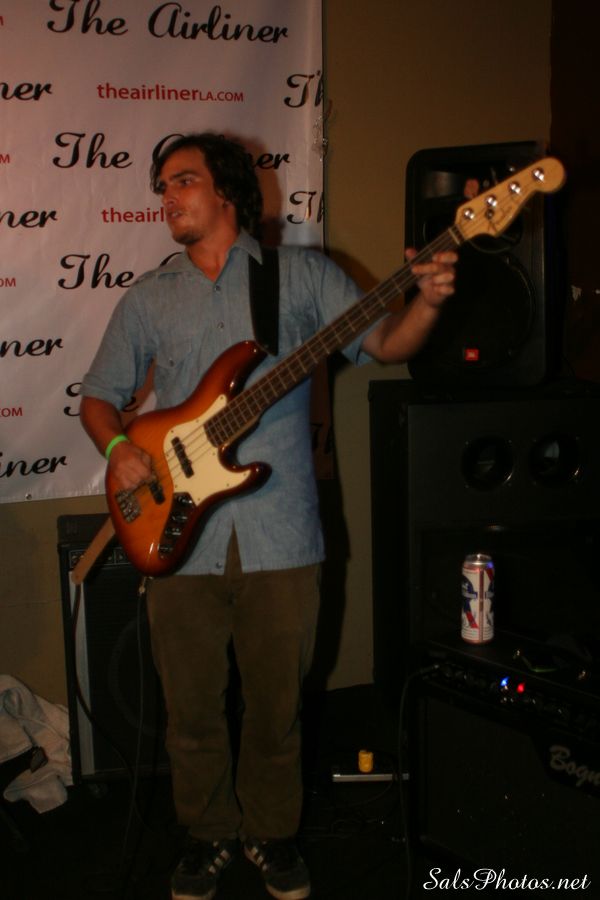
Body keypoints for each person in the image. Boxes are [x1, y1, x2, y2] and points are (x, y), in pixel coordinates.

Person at [79, 132, 457, 900]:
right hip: (177, 535)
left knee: (277, 708)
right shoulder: (149, 297)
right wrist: (119, 448)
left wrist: (427, 300)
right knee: (191, 709)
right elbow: (97, 397)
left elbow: (387, 343)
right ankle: (208, 833)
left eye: (181, 181)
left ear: (226, 190)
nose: (166, 197)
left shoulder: (304, 276)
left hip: (282, 533)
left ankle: (272, 833)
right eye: (161, 186)